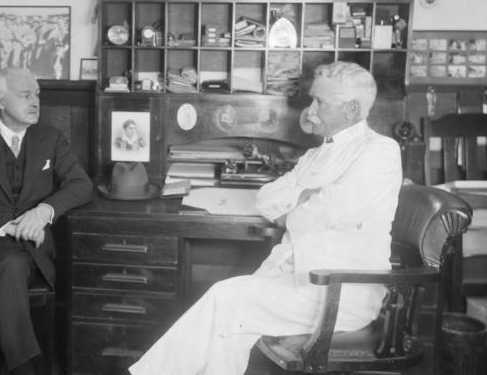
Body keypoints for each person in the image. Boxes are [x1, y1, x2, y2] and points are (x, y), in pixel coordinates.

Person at [128, 61, 402, 375]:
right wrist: (304, 198)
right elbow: (267, 199)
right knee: (226, 333)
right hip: (295, 282)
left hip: (340, 294)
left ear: (352, 109)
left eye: (319, 102)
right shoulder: (315, 155)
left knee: (225, 297)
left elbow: (317, 214)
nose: (310, 110)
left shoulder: (379, 151)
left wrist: (299, 205)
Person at [0, 67, 93, 375]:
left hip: (29, 250)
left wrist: (43, 211)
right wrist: (9, 227)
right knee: (9, 262)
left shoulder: (51, 138)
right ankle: (28, 369)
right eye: (24, 95)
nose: (35, 102)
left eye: (36, 94)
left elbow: (81, 184)